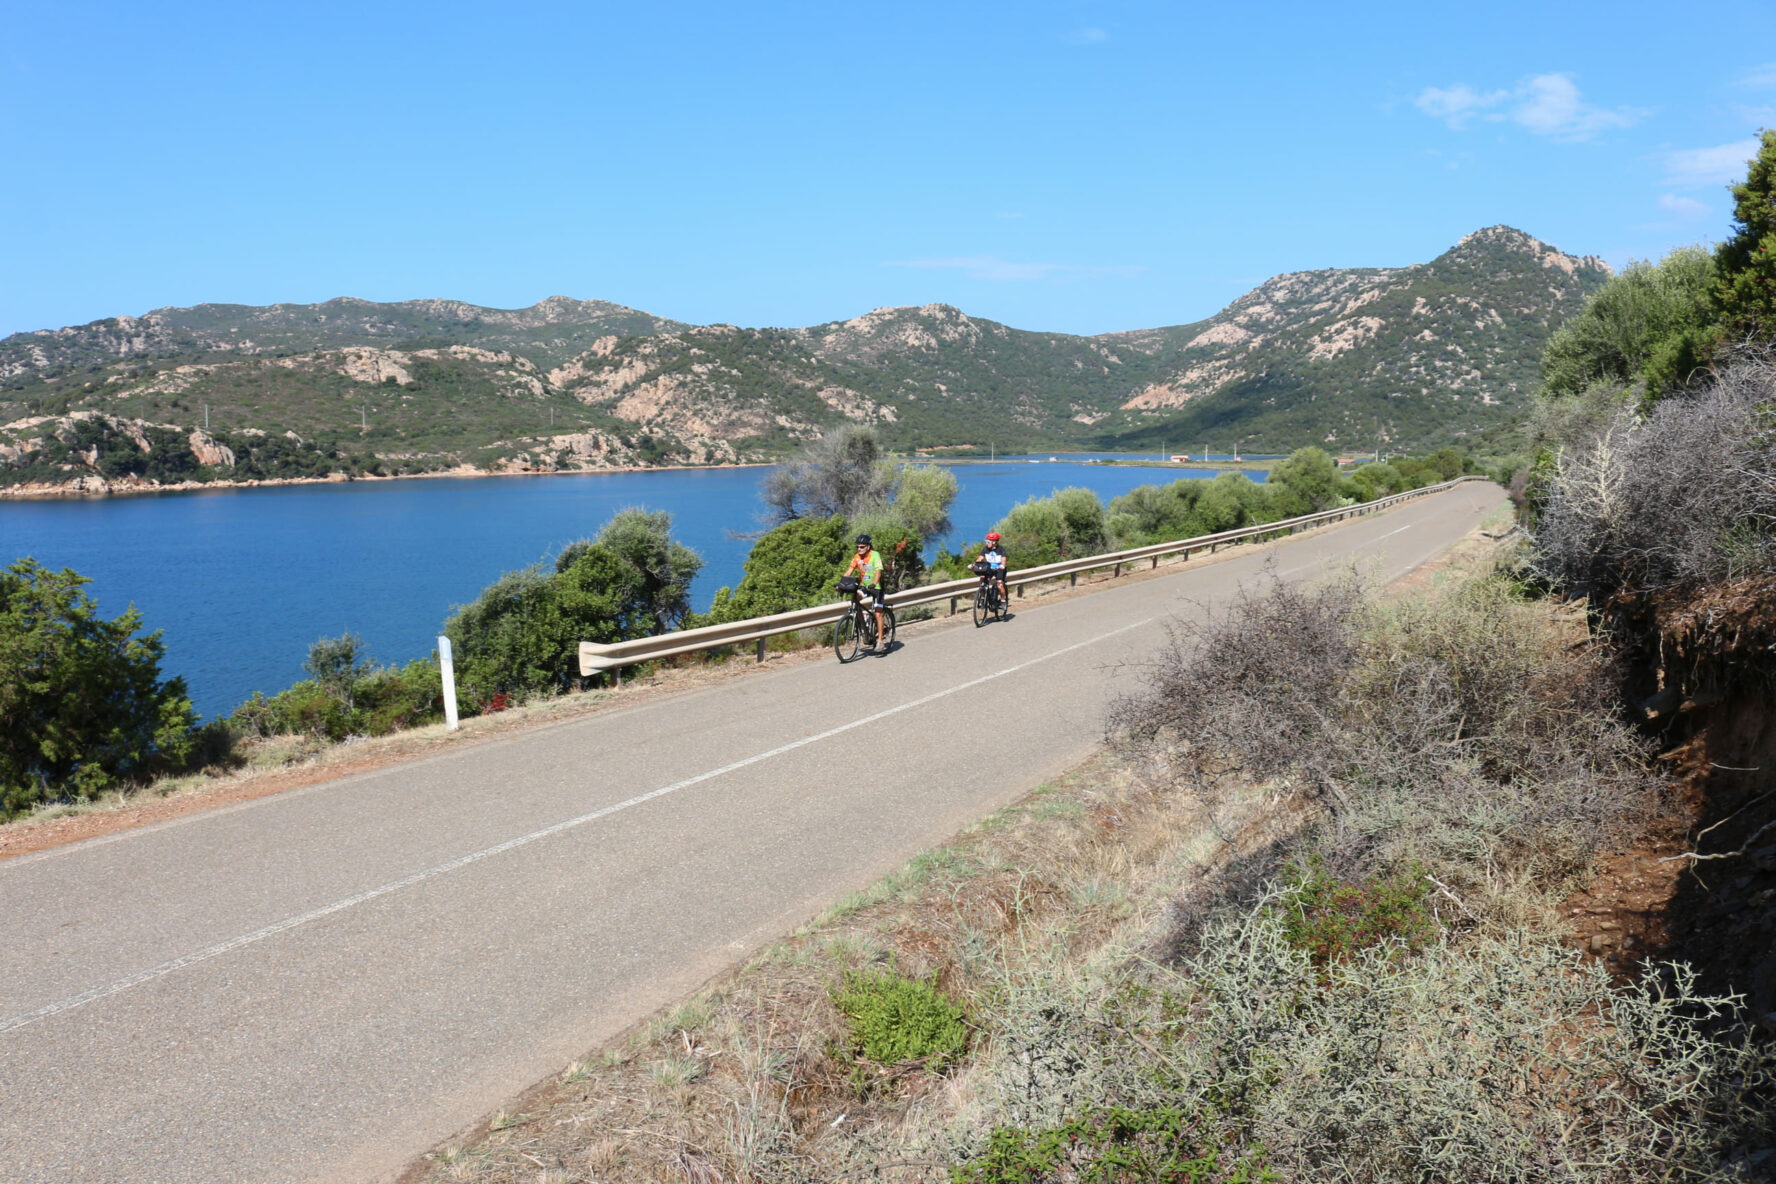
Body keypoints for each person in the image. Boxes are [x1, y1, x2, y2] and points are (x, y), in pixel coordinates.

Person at [844, 532, 888, 649]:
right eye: (858, 546)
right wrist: (842, 583)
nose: (859, 549)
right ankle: (864, 622)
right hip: (864, 586)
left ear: (868, 547)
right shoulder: (856, 557)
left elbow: (878, 571)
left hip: (876, 588)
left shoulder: (875, 555)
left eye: (862, 547)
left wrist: (874, 583)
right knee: (855, 599)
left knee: (878, 613)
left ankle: (880, 641)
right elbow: (849, 571)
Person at [980, 530, 1009, 608]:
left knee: (999, 585)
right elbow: (980, 558)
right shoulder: (985, 549)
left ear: (994, 542)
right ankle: (983, 597)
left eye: (988, 541)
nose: (986, 543)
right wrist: (974, 565)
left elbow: (1003, 559)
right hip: (989, 569)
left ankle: (1003, 601)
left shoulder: (1001, 549)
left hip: (999, 569)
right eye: (986, 541)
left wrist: (1002, 565)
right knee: (982, 578)